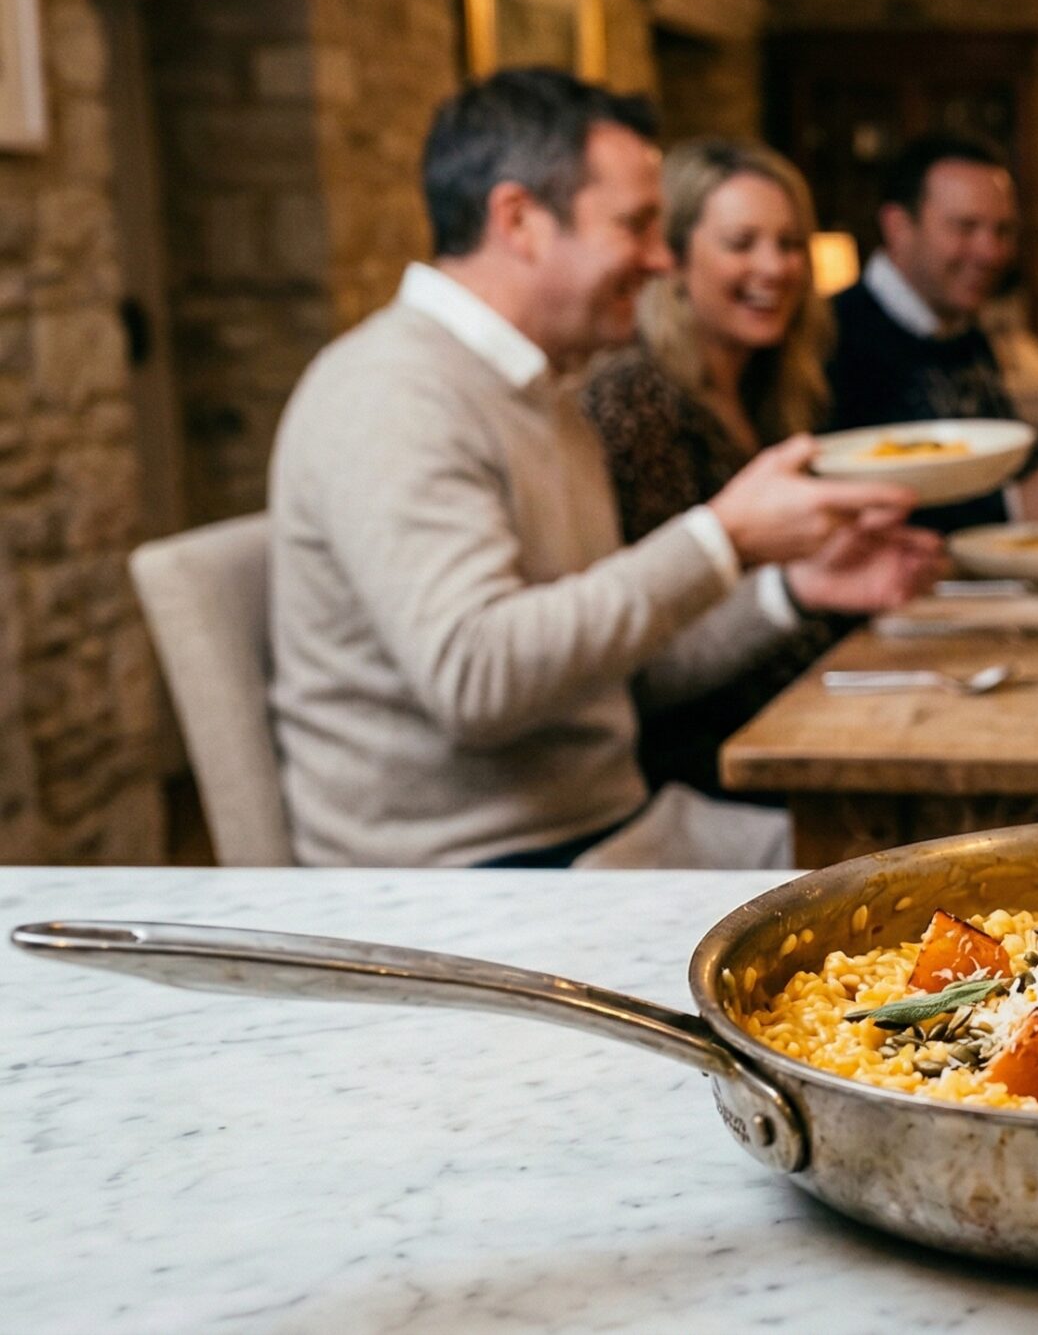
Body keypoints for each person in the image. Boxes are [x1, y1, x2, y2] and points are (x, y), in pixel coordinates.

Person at [268, 70, 940, 869]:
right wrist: (720, 536)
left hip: (607, 830)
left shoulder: (545, 393)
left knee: (934, 863)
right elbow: (477, 679)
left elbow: (621, 667)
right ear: (520, 220)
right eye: (637, 226)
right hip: (476, 876)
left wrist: (790, 590)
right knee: (902, 895)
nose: (661, 260)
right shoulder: (393, 392)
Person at [584, 138, 932, 800]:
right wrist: (797, 589)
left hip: (812, 722)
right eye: (742, 243)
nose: (774, 267)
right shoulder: (637, 400)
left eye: (790, 243)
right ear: (675, 258)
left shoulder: (774, 391)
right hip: (712, 770)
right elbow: (650, 653)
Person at [825, 132, 1038, 531]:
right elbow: (842, 506)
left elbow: (1018, 458)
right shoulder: (832, 337)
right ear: (898, 227)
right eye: (965, 227)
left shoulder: (964, 330)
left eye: (1003, 231)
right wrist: (1012, 507)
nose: (991, 252)